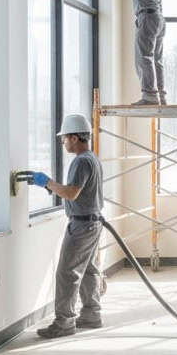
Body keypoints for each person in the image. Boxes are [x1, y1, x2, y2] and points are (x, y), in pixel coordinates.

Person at [28, 114, 105, 338]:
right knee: (88, 270)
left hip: (82, 226)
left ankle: (64, 322)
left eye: (64, 138)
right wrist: (51, 187)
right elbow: (78, 192)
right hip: (92, 223)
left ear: (74, 138)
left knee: (66, 273)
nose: (62, 142)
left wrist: (46, 182)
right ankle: (91, 314)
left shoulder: (81, 161)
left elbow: (72, 193)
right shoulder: (92, 158)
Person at [83, 0, 165, 105]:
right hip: (158, 20)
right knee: (155, 60)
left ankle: (150, 96)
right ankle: (160, 96)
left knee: (143, 58)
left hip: (147, 19)